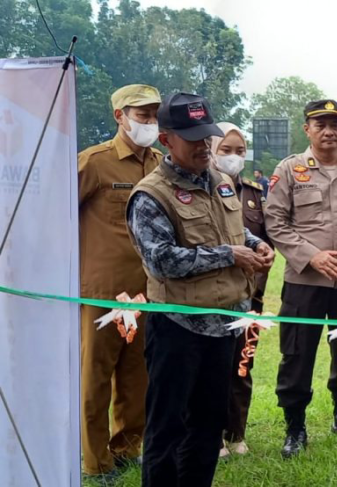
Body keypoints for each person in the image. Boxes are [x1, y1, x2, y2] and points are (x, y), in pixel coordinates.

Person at [126, 92, 274, 486]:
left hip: (222, 326)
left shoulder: (221, 182)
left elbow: (232, 229)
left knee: (208, 428)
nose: (202, 145)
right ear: (166, 139)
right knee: (166, 431)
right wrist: (231, 255)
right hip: (178, 327)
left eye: (205, 135)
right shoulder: (150, 195)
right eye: (190, 136)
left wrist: (255, 244)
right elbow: (162, 260)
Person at [264, 99, 337, 458]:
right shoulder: (290, 169)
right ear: (307, 129)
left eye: (336, 124)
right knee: (296, 355)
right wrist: (312, 256)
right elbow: (275, 223)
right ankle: (295, 428)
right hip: (304, 283)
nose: (329, 131)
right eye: (321, 124)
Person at [77, 84, 162, 479]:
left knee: (137, 376)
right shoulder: (94, 162)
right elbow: (54, 213)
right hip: (102, 292)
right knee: (95, 380)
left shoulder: (159, 163)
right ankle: (96, 461)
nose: (149, 122)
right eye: (141, 115)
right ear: (120, 116)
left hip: (149, 292)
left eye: (153, 115)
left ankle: (127, 447)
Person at [209, 122, 272, 457]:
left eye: (239, 151)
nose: (234, 157)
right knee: (212, 368)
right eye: (226, 150)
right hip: (214, 295)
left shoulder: (253, 193)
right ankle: (212, 435)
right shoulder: (203, 189)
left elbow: (268, 238)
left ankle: (236, 432)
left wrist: (266, 254)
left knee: (241, 366)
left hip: (251, 297)